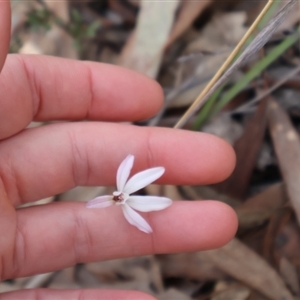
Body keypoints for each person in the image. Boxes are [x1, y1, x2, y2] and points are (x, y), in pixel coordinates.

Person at [0, 2, 237, 299]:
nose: (118, 196)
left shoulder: (126, 190)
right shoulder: (123, 199)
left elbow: (139, 177)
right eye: (117, 197)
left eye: (118, 196)